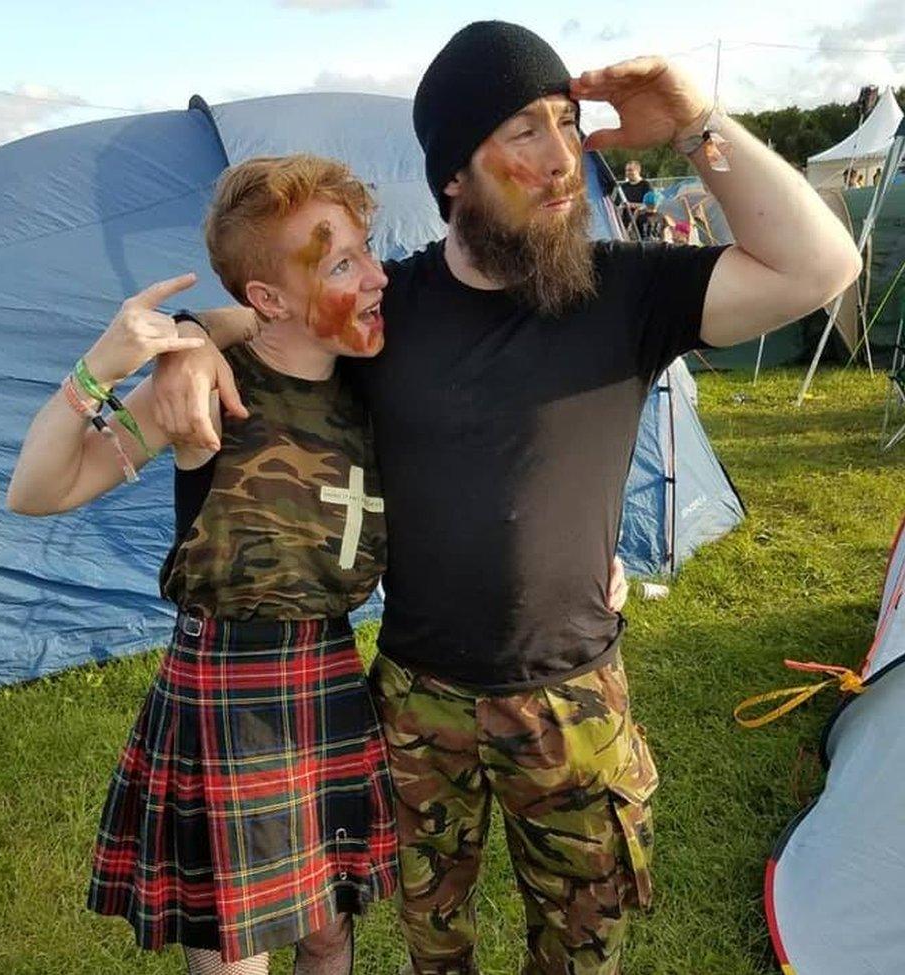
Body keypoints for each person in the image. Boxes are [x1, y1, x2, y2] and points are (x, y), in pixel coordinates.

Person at [153, 21, 861, 975]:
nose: (562, 155)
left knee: (581, 948)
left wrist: (697, 123)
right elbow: (277, 307)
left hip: (573, 702)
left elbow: (822, 270)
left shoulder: (623, 293)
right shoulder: (386, 309)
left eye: (567, 123)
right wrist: (197, 330)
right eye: (523, 130)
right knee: (429, 943)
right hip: (416, 703)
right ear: (453, 174)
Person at [7, 155, 401, 975]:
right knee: (235, 944)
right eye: (340, 263)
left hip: (328, 672)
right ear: (267, 298)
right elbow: (37, 489)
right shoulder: (203, 391)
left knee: (328, 928)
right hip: (224, 686)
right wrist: (104, 366)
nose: (375, 276)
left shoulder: (382, 385)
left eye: (367, 249)